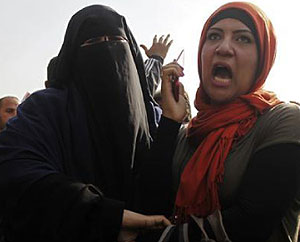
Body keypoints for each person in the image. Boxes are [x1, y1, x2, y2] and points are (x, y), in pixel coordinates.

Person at [0, 5, 179, 242]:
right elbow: (15, 171)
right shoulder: (46, 109)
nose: (107, 50)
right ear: (73, 56)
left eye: (117, 40)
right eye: (93, 42)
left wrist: (170, 124)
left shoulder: (151, 115)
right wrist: (103, 215)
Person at [139, 2, 300, 242]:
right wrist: (170, 122)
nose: (224, 48)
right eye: (213, 36)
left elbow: (250, 224)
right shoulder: (186, 134)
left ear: (262, 59)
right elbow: (150, 207)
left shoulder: (284, 120)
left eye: (243, 39)